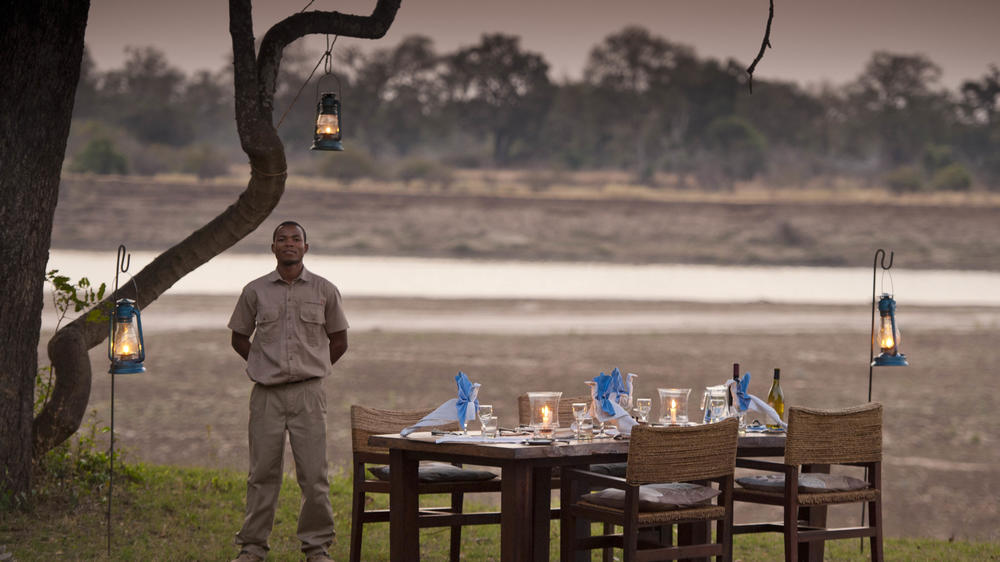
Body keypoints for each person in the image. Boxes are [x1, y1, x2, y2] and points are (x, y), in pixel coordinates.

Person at [227, 221, 349, 562]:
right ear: (273, 248)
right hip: (266, 395)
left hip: (310, 395)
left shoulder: (326, 290)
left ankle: (316, 548)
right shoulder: (255, 291)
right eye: (282, 239)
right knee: (262, 473)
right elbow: (238, 336)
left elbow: (340, 341)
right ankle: (252, 548)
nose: (289, 244)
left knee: (314, 475)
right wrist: (262, 364)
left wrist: (314, 367)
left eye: (296, 239)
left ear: (306, 248)